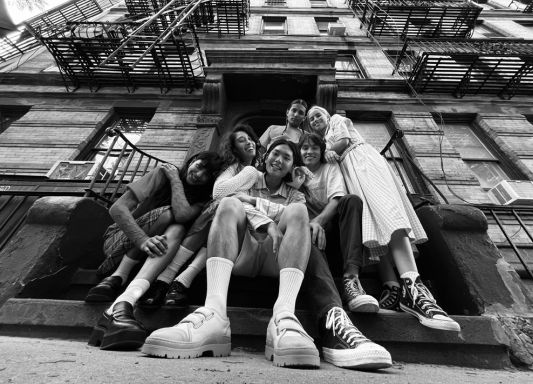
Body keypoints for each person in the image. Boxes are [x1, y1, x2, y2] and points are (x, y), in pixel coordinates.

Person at [141, 139, 320, 368]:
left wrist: (254, 201)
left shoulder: (295, 194)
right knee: (228, 204)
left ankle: (284, 316)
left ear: (292, 167)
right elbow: (232, 199)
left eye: (287, 158)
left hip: (277, 258)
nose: (279, 160)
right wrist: (269, 223)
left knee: (298, 211)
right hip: (240, 252)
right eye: (276, 153)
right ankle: (214, 313)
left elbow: (295, 216)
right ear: (265, 156)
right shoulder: (249, 177)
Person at [306, 106, 460, 332]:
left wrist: (327, 150)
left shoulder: (336, 121)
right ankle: (392, 287)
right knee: (374, 226)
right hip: (350, 172)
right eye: (311, 119)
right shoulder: (322, 144)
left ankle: (413, 287)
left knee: (387, 213)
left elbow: (344, 141)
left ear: (327, 116)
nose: (315, 119)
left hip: (361, 162)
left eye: (318, 115)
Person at [86, 152, 223, 350]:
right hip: (118, 241)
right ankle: (120, 276)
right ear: (192, 161)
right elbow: (118, 208)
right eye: (199, 166)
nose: (199, 174)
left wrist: (176, 180)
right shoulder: (161, 173)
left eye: (207, 175)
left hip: (152, 256)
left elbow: (182, 214)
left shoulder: (201, 200)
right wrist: (142, 240)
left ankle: (123, 302)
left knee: (177, 228)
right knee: (166, 215)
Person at [139, 124, 262, 308]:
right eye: (242, 140)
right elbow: (219, 192)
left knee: (227, 211)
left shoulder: (260, 174)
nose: (249, 142)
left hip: (246, 227)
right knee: (221, 208)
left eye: (251, 139)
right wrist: (249, 174)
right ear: (235, 149)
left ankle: (174, 280)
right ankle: (167, 282)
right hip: (213, 221)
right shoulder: (235, 169)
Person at [298, 132, 392, 369]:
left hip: (333, 231)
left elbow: (337, 199)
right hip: (308, 235)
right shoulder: (296, 172)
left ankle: (351, 280)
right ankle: (334, 317)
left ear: (322, 151)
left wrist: (318, 221)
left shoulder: (329, 167)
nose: (309, 152)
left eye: (314, 148)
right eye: (304, 148)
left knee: (351, 200)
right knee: (304, 226)